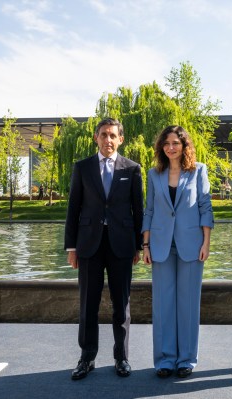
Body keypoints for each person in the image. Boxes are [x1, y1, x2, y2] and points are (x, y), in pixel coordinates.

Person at [64, 118, 143, 380]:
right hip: (88, 245)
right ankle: (87, 358)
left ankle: (122, 357)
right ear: (96, 138)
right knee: (88, 304)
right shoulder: (82, 167)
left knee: (122, 305)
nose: (108, 140)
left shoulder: (132, 169)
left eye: (113, 135)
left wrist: (139, 246)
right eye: (103, 135)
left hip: (121, 245)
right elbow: (73, 209)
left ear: (121, 139)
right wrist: (72, 247)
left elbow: (138, 210)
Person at [142, 125, 213, 379]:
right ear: (162, 147)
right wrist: (146, 245)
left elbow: (206, 207)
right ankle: (164, 360)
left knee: (189, 304)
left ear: (184, 146)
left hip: (192, 244)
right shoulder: (154, 174)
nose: (171, 147)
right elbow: (149, 210)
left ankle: (186, 360)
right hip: (161, 245)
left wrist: (206, 243)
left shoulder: (199, 171)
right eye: (167, 143)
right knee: (163, 304)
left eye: (176, 143)